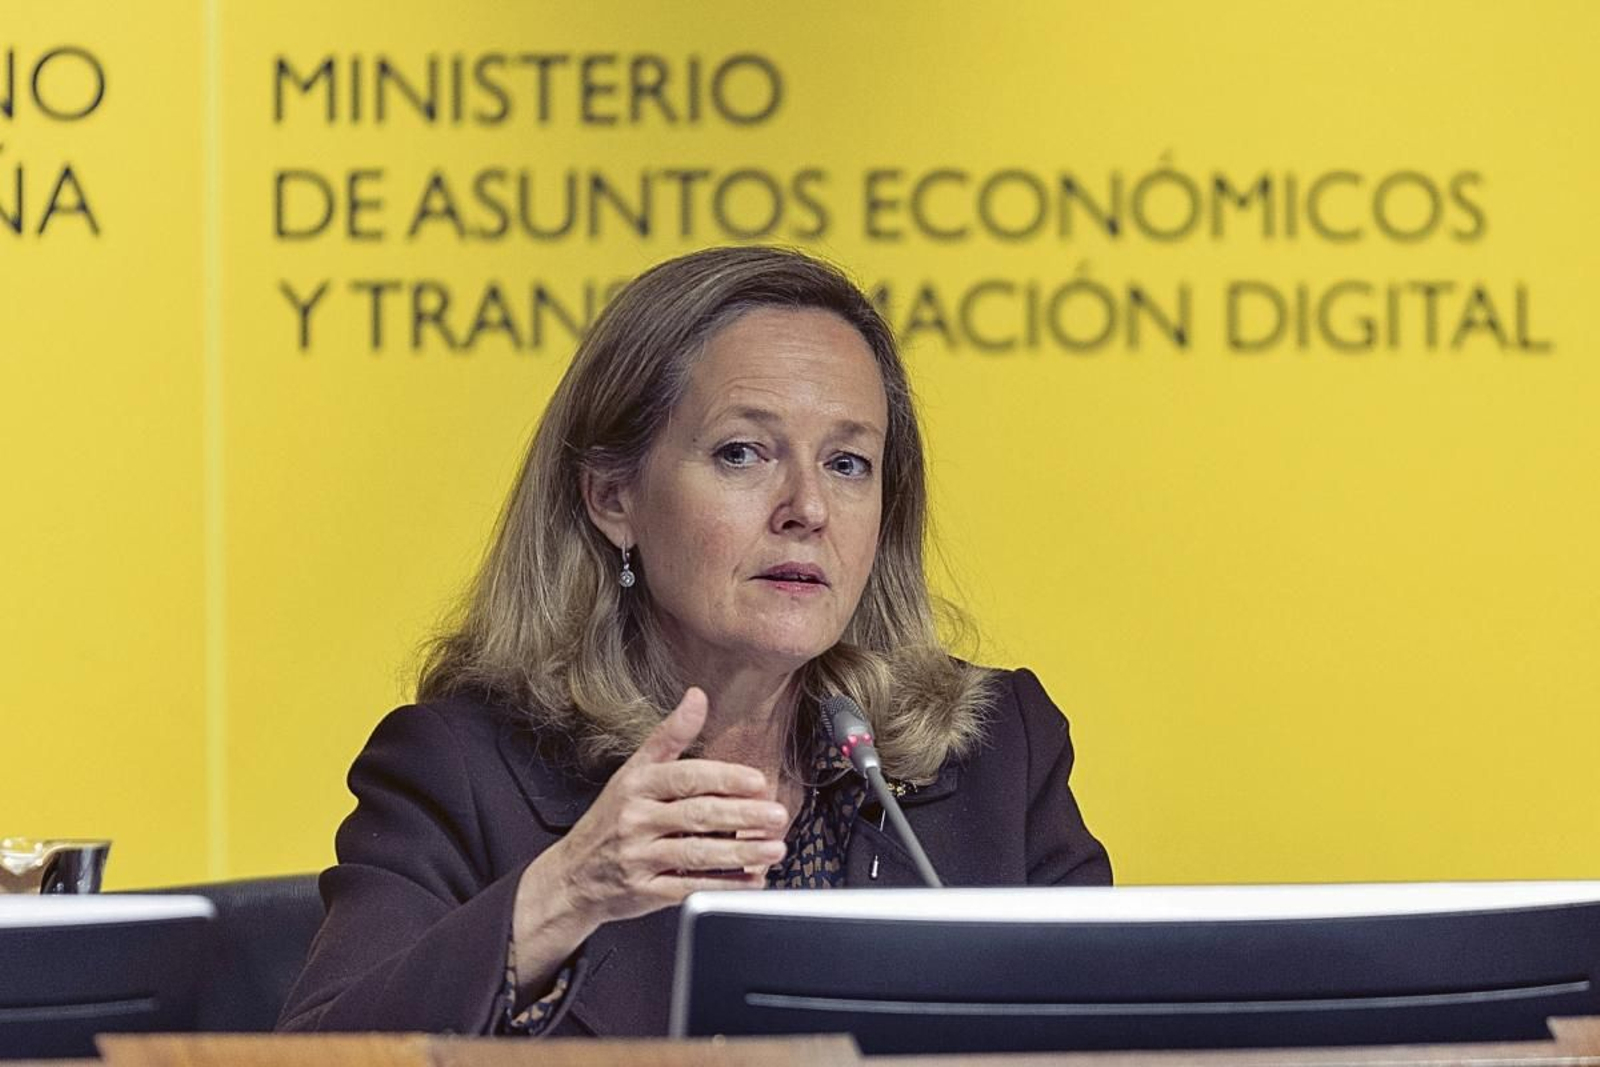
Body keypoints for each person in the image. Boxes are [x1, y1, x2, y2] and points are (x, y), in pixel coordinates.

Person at [277, 245, 1110, 1038]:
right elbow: (314, 1057)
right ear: (613, 496)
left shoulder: (1001, 751)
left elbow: (1123, 1035)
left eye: (849, 463)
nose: (808, 508)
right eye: (742, 452)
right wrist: (566, 891)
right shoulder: (461, 772)